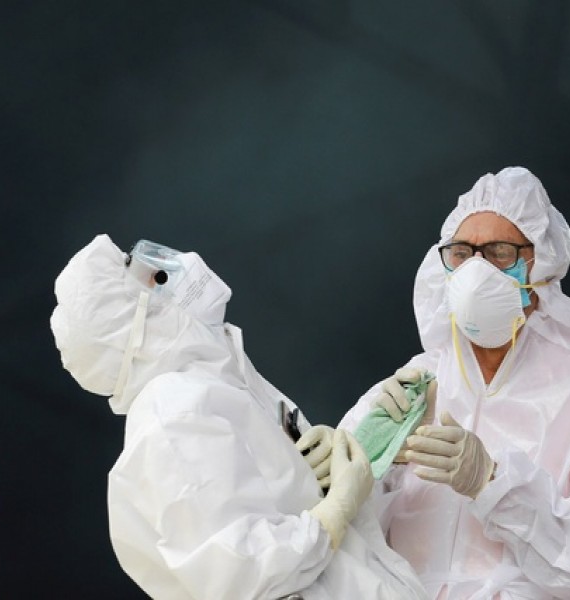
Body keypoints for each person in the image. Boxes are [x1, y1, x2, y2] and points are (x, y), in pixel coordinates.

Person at [340, 166, 570, 599]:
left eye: (499, 251)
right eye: (461, 252)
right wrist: (376, 460)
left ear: (541, 262)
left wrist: (494, 483)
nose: (477, 270)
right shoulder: (417, 383)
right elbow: (329, 524)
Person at [49, 234, 429, 599]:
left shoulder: (214, 385)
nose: (166, 266)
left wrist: (313, 478)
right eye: (139, 270)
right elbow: (243, 574)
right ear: (133, 319)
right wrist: (338, 507)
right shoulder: (173, 409)